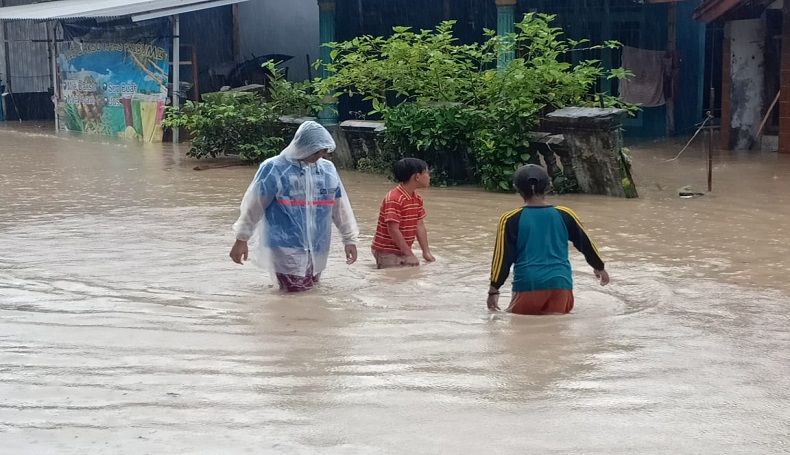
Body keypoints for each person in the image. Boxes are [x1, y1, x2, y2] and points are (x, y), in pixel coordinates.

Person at [229, 121, 359, 292]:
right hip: (285, 247)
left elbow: (339, 208)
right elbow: (254, 206)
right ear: (302, 146)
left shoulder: (326, 170)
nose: (319, 157)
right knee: (297, 294)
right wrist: (241, 239)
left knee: (310, 291)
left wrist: (349, 240)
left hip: (318, 246)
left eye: (322, 153)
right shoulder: (274, 168)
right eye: (316, 152)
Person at [487, 164, 609, 314]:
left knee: (522, 330)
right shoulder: (565, 214)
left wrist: (494, 289)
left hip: (528, 284)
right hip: (561, 283)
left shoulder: (510, 219)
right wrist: (599, 266)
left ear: (516, 189)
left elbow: (502, 258)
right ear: (549, 187)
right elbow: (585, 244)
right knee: (557, 331)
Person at [370, 158, 435, 269]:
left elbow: (419, 225)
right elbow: (393, 230)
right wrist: (409, 254)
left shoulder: (417, 198)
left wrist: (426, 252)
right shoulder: (394, 198)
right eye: (427, 173)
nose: (429, 177)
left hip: (401, 249)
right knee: (394, 280)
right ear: (417, 177)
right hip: (386, 251)